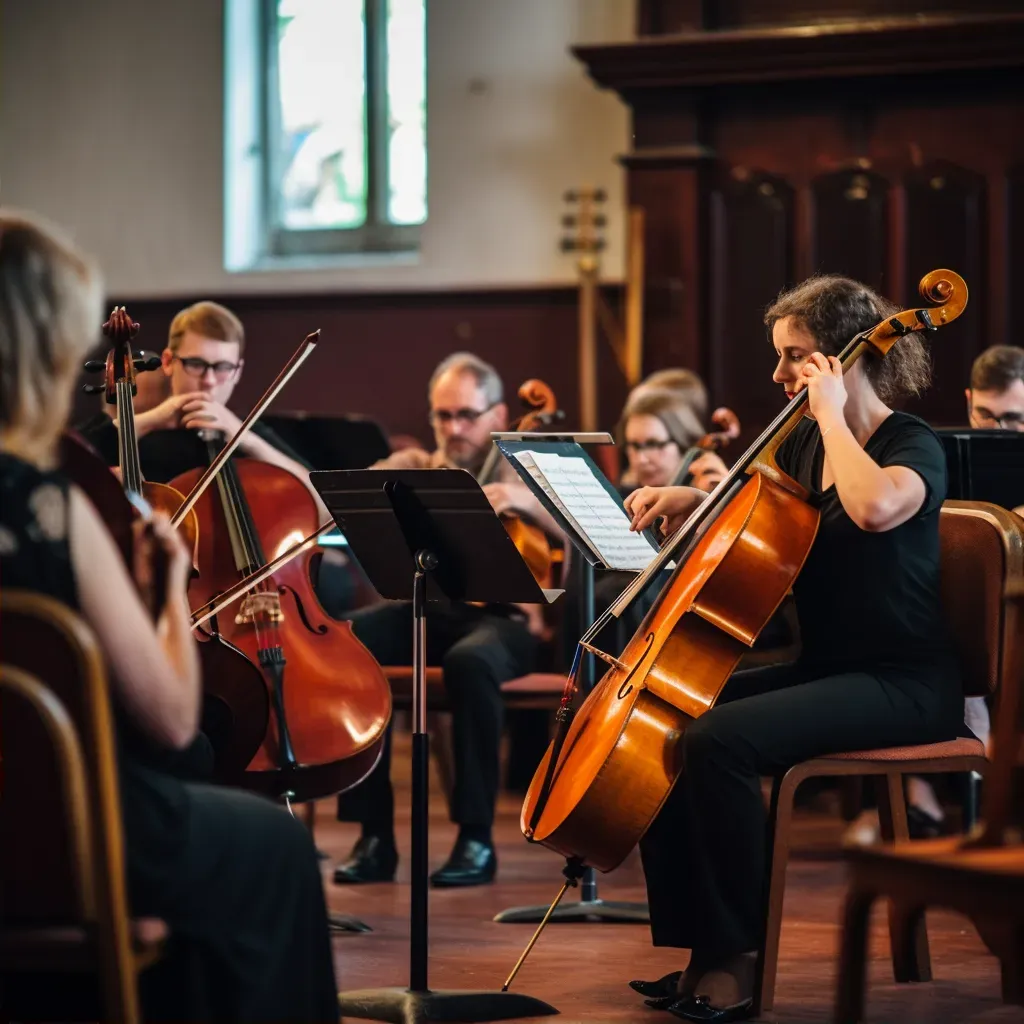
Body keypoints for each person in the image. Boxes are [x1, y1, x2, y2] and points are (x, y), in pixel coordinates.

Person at [0, 210, 339, 1022]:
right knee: (275, 847)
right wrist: (161, 597)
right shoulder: (52, 506)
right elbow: (167, 713)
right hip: (62, 833)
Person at [623, 274, 964, 1022]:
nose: (779, 376)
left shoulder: (912, 444)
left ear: (843, 361)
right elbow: (755, 507)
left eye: (795, 358)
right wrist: (686, 500)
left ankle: (742, 958)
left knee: (718, 741)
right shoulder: (808, 442)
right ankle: (702, 947)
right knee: (671, 714)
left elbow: (874, 509)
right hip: (833, 670)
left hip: (903, 684)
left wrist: (834, 416)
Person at [333, 352, 564, 888]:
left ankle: (475, 837)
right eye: (443, 415)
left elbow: (581, 528)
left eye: (467, 414)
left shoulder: (524, 463)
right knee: (346, 640)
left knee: (471, 660)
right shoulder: (416, 464)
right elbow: (339, 501)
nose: (453, 428)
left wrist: (517, 498)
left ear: (500, 413)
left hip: (505, 623)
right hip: (425, 609)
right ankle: (373, 836)